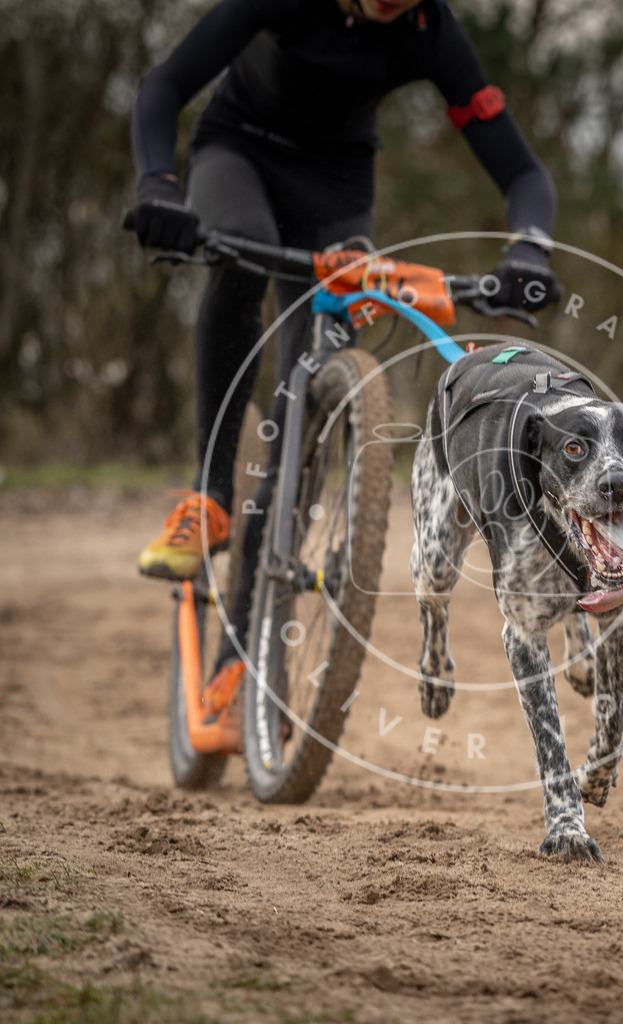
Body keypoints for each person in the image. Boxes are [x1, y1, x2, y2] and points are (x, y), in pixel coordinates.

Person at [128, 0, 560, 691]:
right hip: (238, 151)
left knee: (313, 384)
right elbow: (165, 85)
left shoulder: (430, 33)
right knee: (241, 257)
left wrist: (529, 251)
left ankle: (240, 657)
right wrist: (159, 186)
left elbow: (522, 175)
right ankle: (208, 498)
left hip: (336, 187)